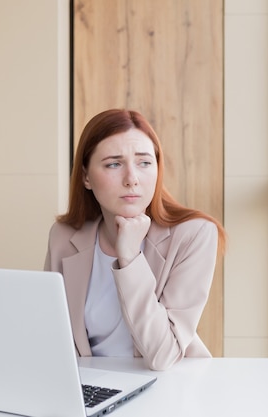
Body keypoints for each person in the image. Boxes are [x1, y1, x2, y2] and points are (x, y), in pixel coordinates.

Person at [44, 108, 226, 371]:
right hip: (89, 386)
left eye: (144, 162)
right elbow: (54, 335)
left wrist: (129, 258)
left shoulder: (194, 234)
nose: (132, 179)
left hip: (168, 386)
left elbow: (163, 355)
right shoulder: (64, 236)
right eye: (114, 164)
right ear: (85, 176)